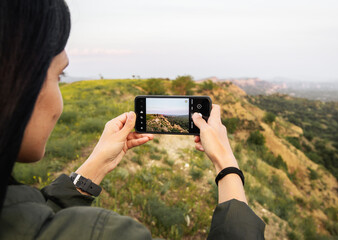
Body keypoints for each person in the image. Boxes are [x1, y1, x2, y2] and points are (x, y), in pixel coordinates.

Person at [0, 1, 265, 239]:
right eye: (59, 76)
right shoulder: (103, 234)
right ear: (17, 82)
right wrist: (226, 162)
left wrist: (96, 164)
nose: (60, 100)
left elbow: (38, 218)